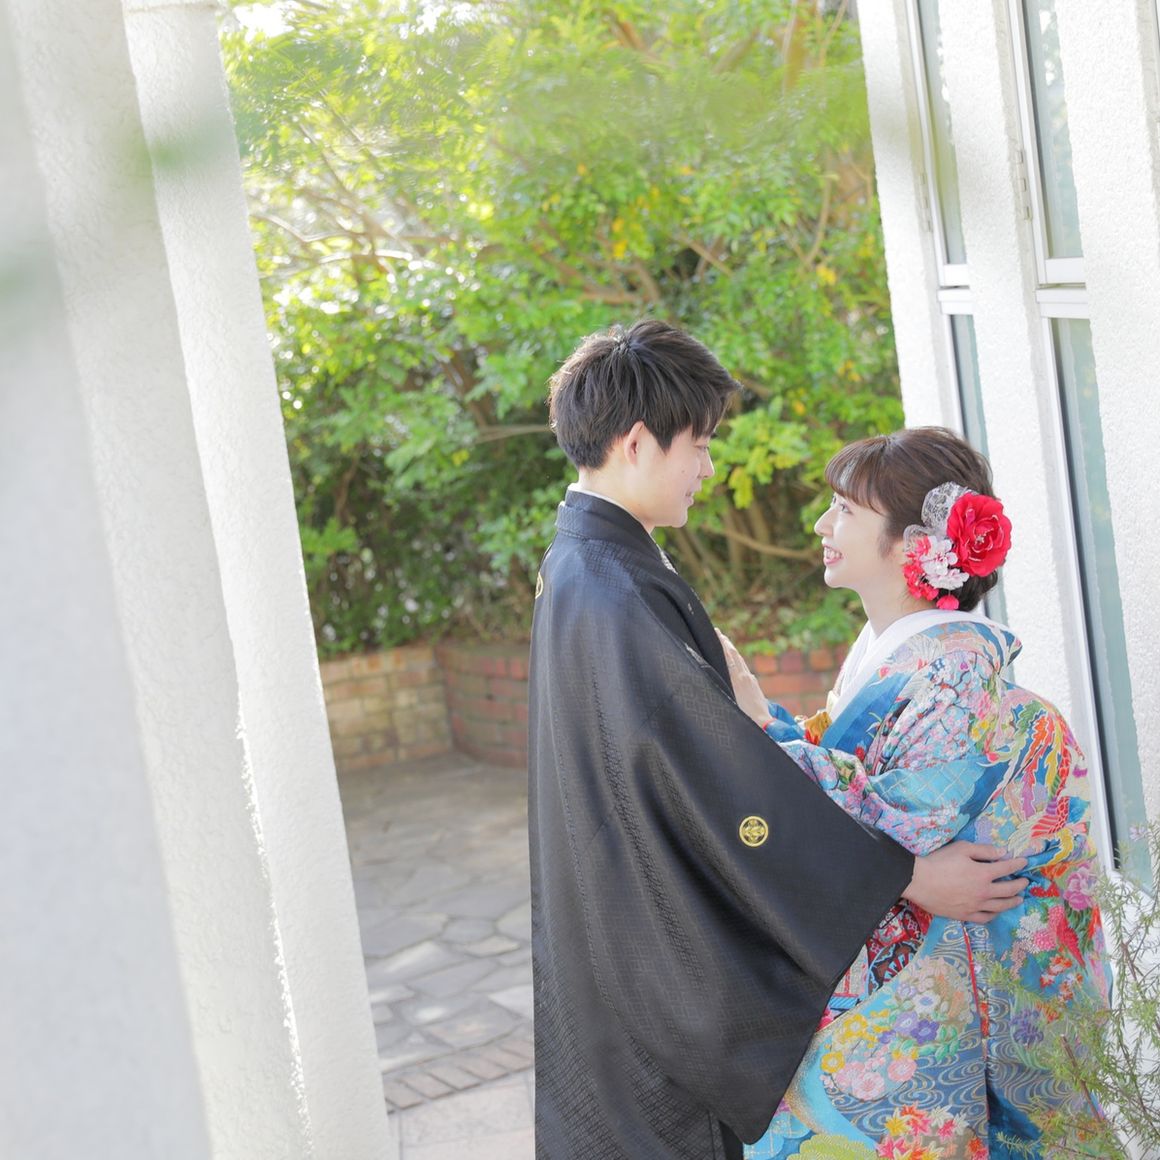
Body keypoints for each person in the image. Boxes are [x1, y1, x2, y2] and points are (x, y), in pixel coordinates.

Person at [528, 320, 1029, 1160]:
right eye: (699, 444)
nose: (708, 467)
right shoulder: (615, 590)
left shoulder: (590, 566)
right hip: (647, 934)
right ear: (638, 442)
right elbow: (720, 787)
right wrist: (905, 875)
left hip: (618, 912)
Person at [719, 427, 1111, 1160]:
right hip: (941, 955)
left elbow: (898, 826)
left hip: (958, 975)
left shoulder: (953, 671)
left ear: (914, 546)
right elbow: (857, 785)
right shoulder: (899, 650)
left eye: (845, 511)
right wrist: (768, 726)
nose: (822, 525)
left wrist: (763, 732)